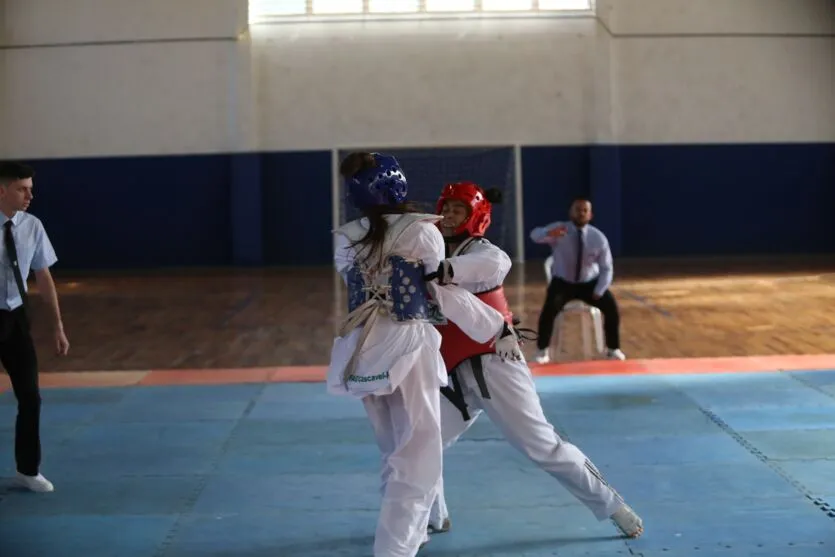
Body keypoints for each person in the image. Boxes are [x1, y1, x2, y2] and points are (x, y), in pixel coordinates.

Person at [327, 153, 523, 557]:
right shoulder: (420, 231)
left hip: (359, 349)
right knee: (418, 455)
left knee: (393, 450)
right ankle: (395, 549)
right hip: (406, 345)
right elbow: (439, 290)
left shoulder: (345, 235)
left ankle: (412, 535)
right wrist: (495, 325)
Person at [424, 181, 643, 539]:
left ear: (475, 216)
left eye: (457, 210)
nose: (448, 216)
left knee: (542, 446)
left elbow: (490, 265)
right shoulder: (430, 250)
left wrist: (441, 270)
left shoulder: (485, 252)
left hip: (496, 364)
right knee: (422, 442)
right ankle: (434, 515)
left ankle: (613, 505)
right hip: (453, 371)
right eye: (445, 208)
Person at [0, 161, 70, 493]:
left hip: (15, 317)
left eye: (31, 188)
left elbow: (43, 276)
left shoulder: (32, 226)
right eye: (22, 189)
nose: (30, 195)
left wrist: (57, 325)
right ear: (2, 190)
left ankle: (28, 469)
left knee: (30, 396)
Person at [530, 198, 626, 364]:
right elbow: (535, 235)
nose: (580, 213)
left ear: (590, 215)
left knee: (611, 307)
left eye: (584, 210)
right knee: (548, 311)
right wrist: (548, 234)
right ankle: (542, 351)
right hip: (563, 282)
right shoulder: (560, 229)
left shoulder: (598, 238)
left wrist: (600, 290)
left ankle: (613, 349)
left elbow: (606, 268)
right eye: (577, 210)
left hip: (589, 283)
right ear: (571, 212)